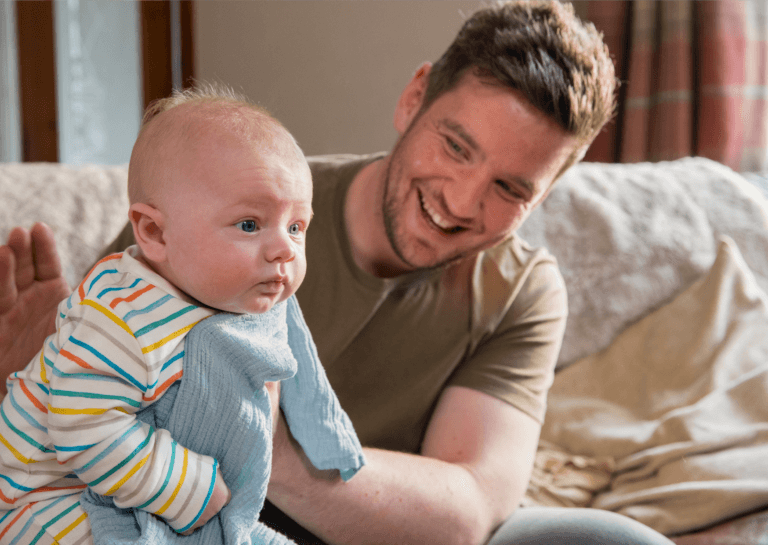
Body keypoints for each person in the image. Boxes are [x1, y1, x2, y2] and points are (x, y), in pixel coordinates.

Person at [0, 1, 676, 544]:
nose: (462, 202)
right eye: (455, 145)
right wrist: (27, 363)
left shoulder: (521, 291)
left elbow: (468, 510)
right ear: (414, 97)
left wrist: (272, 456)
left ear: (548, 192)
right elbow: (88, 411)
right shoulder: (230, 199)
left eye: (511, 188)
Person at [0, 85, 363, 544]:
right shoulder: (123, 315)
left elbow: (303, 374)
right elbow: (82, 425)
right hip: (49, 497)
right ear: (154, 232)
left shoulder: (247, 300)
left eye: (296, 226)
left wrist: (327, 438)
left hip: (150, 492)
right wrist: (190, 489)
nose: (284, 249)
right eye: (250, 224)